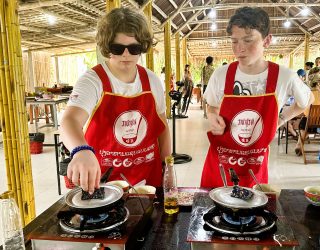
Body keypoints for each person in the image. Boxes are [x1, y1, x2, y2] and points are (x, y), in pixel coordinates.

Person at [60, 7, 171, 193]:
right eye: (117, 49)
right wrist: (81, 151)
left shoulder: (152, 81)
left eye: (133, 48)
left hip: (148, 179)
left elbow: (162, 126)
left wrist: (168, 167)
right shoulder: (93, 81)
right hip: (103, 182)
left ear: (143, 47)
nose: (126, 55)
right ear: (107, 47)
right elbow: (69, 120)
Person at [201, 7, 314, 188]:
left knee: (253, 209)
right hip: (220, 163)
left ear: (267, 40)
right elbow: (212, 106)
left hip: (255, 164)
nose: (240, 48)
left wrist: (281, 119)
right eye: (234, 41)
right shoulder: (221, 74)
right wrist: (213, 116)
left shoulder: (284, 76)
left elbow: (307, 101)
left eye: (248, 40)